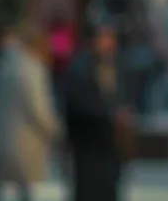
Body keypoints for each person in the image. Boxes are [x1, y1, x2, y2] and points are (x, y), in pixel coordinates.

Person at [0, 26, 62, 200]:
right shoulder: (32, 69)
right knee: (27, 192)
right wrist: (57, 131)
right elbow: (39, 110)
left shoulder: (1, 64)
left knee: (3, 192)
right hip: (25, 144)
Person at [65, 22, 130, 201]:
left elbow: (123, 97)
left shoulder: (118, 67)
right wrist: (110, 115)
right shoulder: (80, 68)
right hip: (89, 148)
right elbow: (78, 104)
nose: (108, 44)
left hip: (111, 148)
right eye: (104, 38)